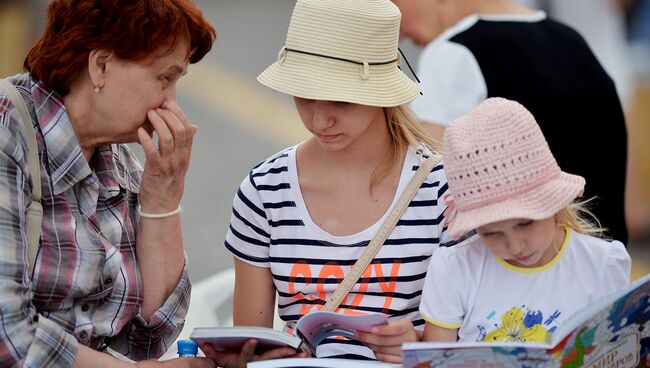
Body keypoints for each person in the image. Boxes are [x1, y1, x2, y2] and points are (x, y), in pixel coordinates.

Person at [203, 0, 463, 365]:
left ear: (382, 93)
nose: (319, 119)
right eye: (304, 95)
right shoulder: (264, 190)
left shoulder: (444, 188)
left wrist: (421, 343)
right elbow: (253, 344)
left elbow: (484, 334)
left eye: (341, 100)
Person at [0, 1, 216, 367]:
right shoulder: (9, 129)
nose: (171, 102)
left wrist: (163, 197)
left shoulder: (116, 155)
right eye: (165, 78)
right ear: (100, 65)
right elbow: (9, 335)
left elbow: (154, 334)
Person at [392, 0, 629, 245]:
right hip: (605, 263)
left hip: (519, 267)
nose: (397, 30)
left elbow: (425, 188)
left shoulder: (452, 53)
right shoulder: (572, 41)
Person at [419, 97, 631, 343]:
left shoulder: (602, 264)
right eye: (491, 233)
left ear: (553, 203)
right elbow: (435, 358)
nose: (516, 246)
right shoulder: (455, 268)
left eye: (525, 224)